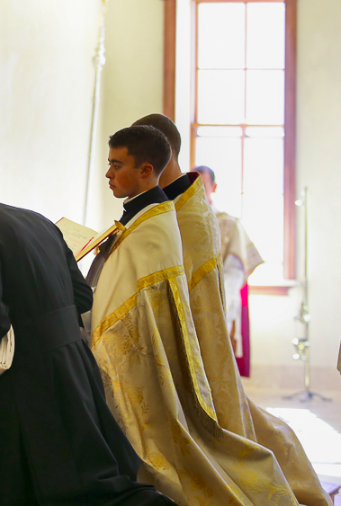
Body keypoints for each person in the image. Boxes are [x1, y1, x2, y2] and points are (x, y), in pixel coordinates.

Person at [0, 162, 176, 505]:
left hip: (35, 367)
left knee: (75, 483)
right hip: (75, 358)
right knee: (50, 462)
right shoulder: (34, 217)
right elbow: (82, 296)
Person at [89, 125, 298, 505]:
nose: (108, 173)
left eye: (116, 164)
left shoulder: (176, 218)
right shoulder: (154, 212)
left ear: (147, 167)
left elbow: (219, 282)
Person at [134, 114, 329, 506]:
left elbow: (222, 277)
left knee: (217, 422)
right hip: (162, 322)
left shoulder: (194, 215)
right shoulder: (166, 206)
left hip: (195, 326)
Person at [196, 164, 264, 376]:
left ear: (213, 187)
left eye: (202, 185)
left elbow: (234, 272)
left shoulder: (228, 223)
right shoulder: (176, 220)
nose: (197, 190)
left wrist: (213, 297)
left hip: (216, 302)